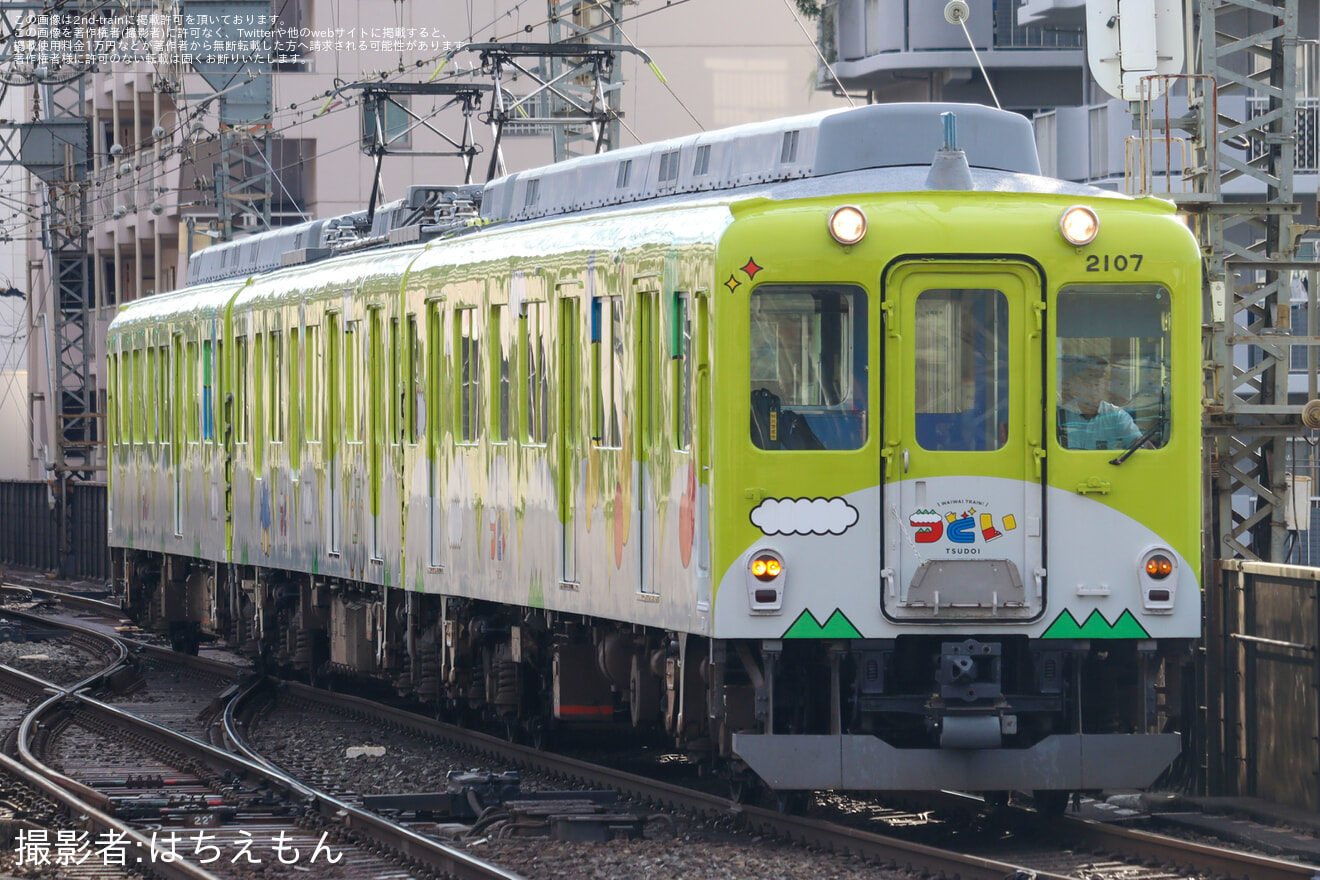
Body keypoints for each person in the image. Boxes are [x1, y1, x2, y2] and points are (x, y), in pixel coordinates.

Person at [1057, 355, 1142, 451]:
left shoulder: (1116, 415)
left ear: (1105, 384)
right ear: (1074, 384)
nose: (1093, 387)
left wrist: (1142, 444)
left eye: (1098, 381)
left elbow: (1139, 443)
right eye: (1087, 381)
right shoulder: (1061, 415)